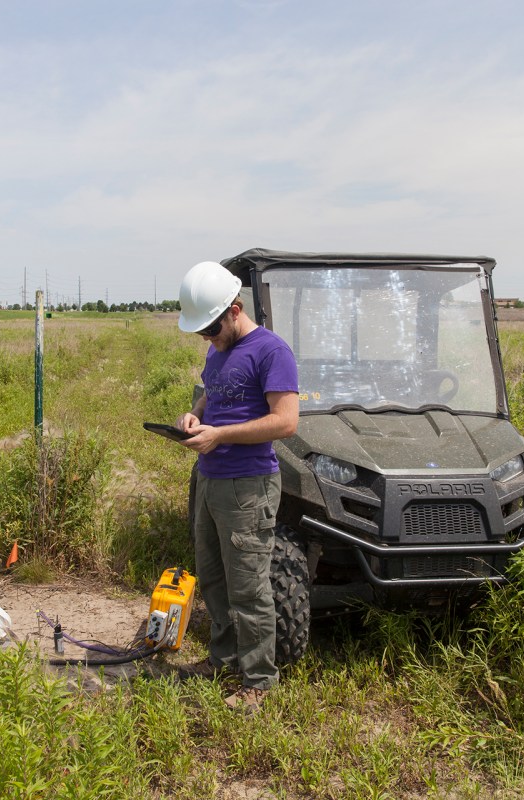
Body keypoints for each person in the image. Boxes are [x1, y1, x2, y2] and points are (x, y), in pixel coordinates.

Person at [174, 260, 299, 713]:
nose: (208, 337)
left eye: (212, 327)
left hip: (248, 486)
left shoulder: (272, 351)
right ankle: (224, 658)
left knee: (249, 587)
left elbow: (286, 422)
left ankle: (259, 681)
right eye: (201, 331)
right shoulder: (217, 349)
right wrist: (196, 417)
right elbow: (213, 393)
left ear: (235, 309)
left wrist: (221, 435)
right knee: (213, 577)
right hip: (210, 481)